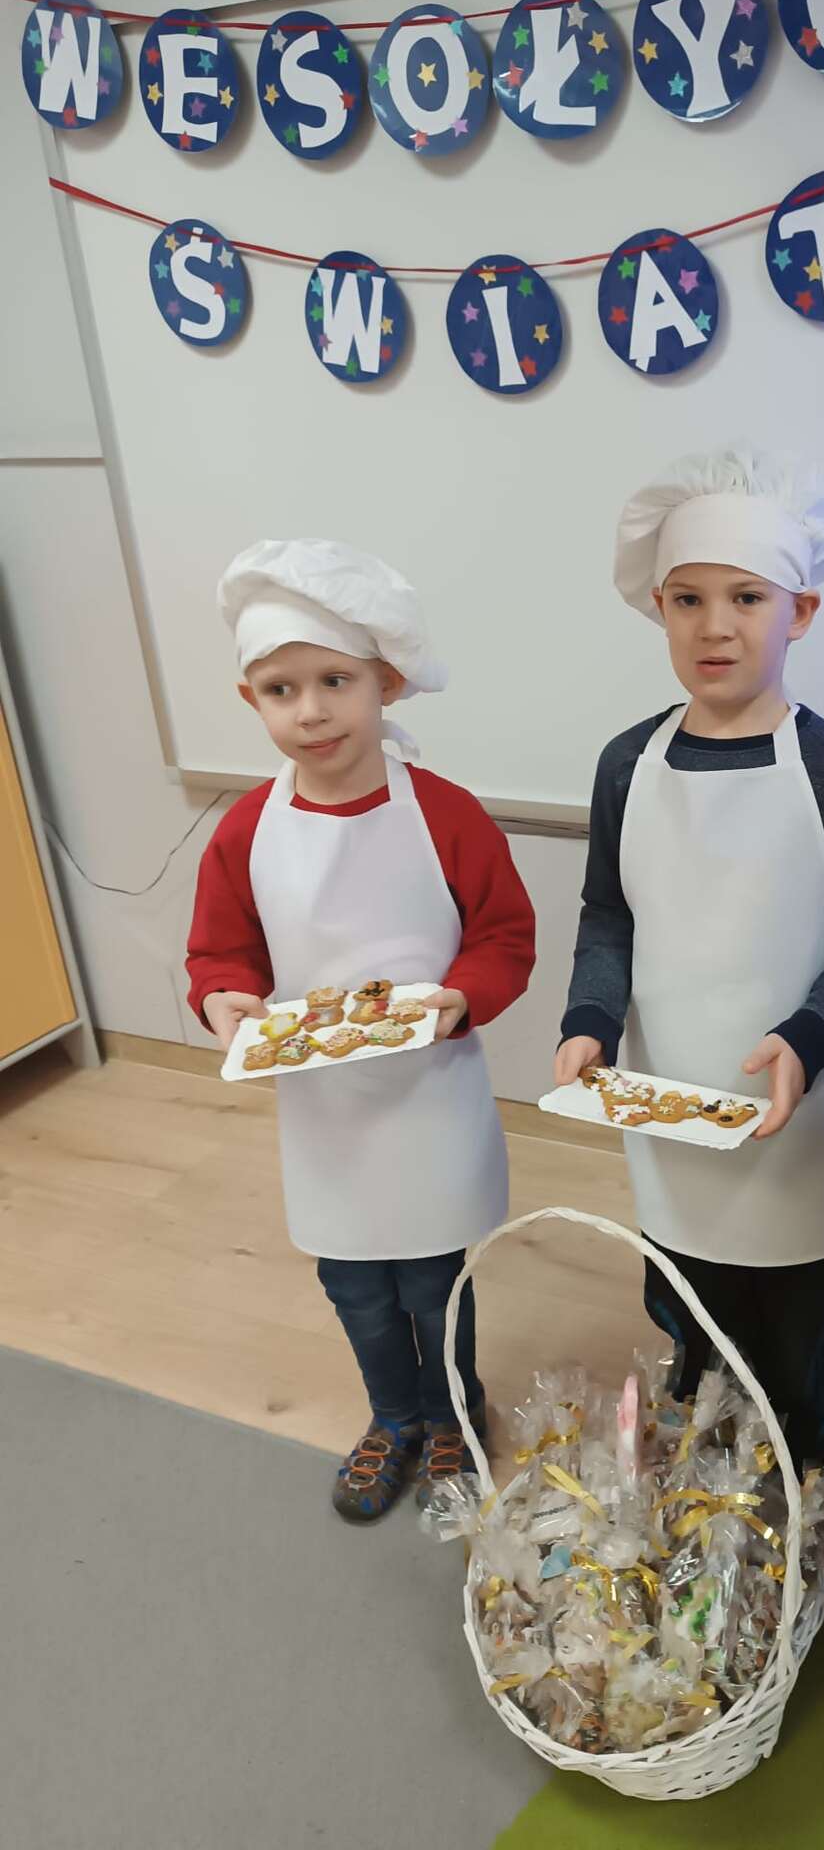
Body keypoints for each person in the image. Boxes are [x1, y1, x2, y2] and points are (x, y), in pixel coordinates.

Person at [555, 444, 824, 1468]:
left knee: (796, 1317)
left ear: (800, 612)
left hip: (799, 1105)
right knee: (689, 1295)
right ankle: (709, 1464)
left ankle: (801, 1483)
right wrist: (589, 1021)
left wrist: (807, 1037)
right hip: (669, 1098)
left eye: (747, 598)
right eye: (689, 600)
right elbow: (608, 916)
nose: (715, 625)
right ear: (659, 610)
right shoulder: (627, 765)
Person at [186, 539, 535, 1521]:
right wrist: (224, 1000)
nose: (311, 711)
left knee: (434, 1284)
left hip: (431, 1099)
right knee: (356, 1287)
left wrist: (461, 996)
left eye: (335, 681)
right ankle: (394, 1415)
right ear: (251, 700)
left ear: (387, 682)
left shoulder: (448, 817)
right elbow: (220, 951)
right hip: (325, 1110)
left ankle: (454, 1414)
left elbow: (505, 936)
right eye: (281, 690)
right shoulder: (246, 831)